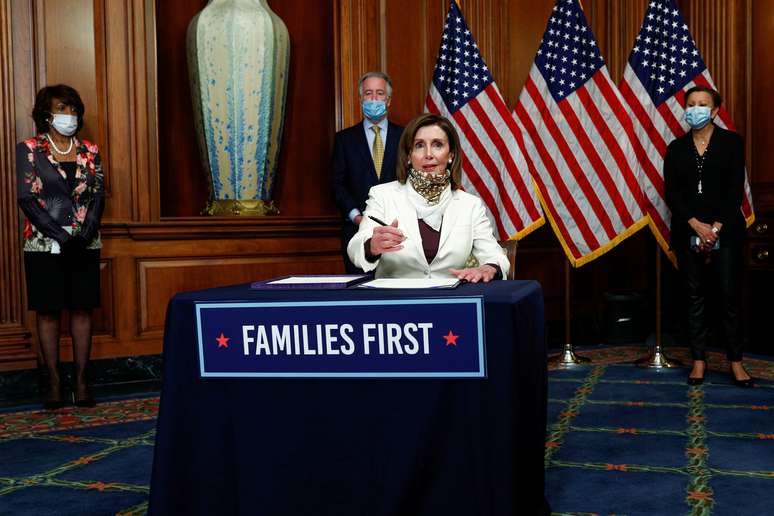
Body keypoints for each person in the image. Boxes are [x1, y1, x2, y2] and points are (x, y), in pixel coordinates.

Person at [16, 84, 105, 408]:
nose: (68, 115)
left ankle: (82, 381)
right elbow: (26, 198)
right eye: (61, 108)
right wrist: (60, 235)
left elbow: (97, 196)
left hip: (85, 242)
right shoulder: (29, 149)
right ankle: (52, 381)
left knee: (82, 309)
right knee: (49, 310)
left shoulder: (90, 150)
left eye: (72, 108)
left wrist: (84, 233)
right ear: (45, 114)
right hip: (44, 243)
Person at [348, 113, 509, 281]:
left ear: (451, 154)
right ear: (409, 155)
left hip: (451, 301)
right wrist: (371, 247)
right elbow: (355, 248)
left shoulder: (470, 205)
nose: (428, 154)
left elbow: (495, 256)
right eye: (419, 145)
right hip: (396, 301)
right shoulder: (382, 195)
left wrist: (489, 267)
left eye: (437, 145)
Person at [664, 85, 751, 387]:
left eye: (703, 104)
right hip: (687, 230)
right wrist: (695, 225)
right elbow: (671, 193)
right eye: (691, 104)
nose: (695, 109)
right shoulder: (675, 148)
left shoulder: (731, 143)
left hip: (726, 231)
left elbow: (734, 190)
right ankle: (698, 361)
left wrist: (713, 229)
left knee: (728, 297)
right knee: (693, 296)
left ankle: (736, 362)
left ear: (714, 111)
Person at [331, 71, 403, 273]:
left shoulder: (406, 137)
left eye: (379, 93)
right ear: (360, 98)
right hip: (356, 231)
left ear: (388, 100)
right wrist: (356, 217)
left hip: (399, 231)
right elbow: (337, 184)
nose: (374, 99)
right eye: (368, 93)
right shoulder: (344, 140)